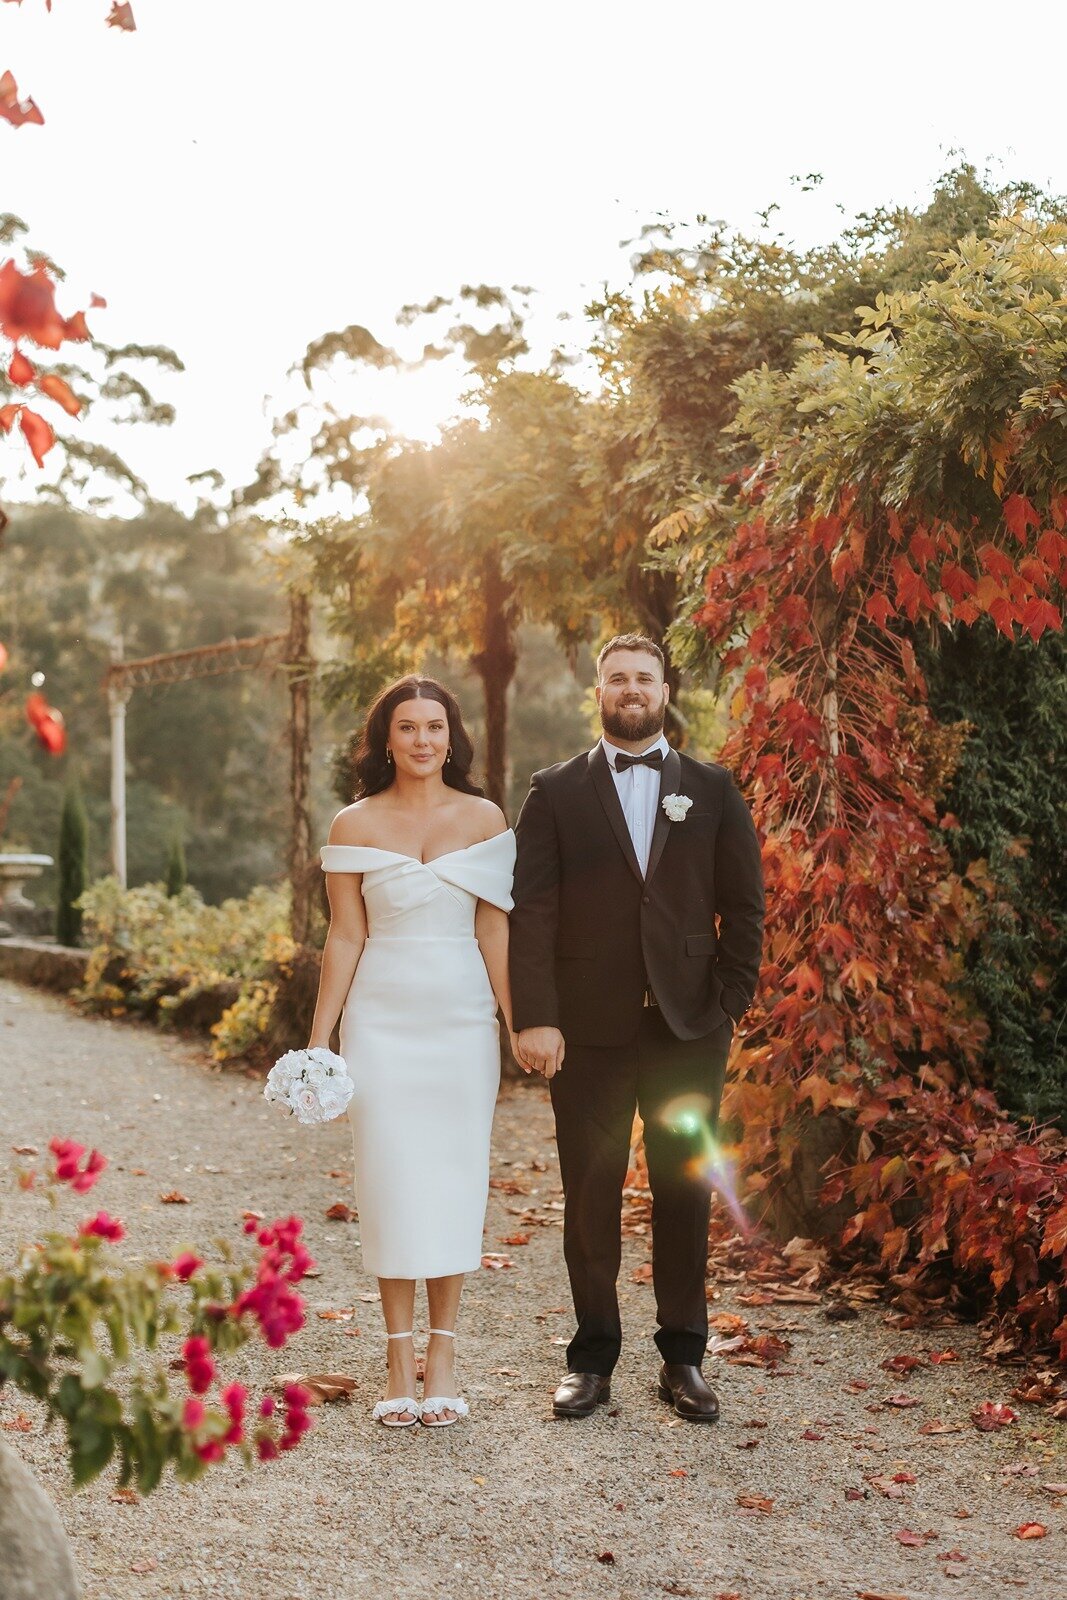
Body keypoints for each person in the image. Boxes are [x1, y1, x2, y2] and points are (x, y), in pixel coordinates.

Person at [509, 634, 765, 1422]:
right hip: (585, 1030)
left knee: (684, 1189)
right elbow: (532, 912)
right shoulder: (553, 791)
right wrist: (537, 1017)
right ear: (598, 690)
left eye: (642, 678)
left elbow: (745, 904)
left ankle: (683, 1358)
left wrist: (729, 999)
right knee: (588, 1194)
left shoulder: (713, 788)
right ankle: (591, 1360)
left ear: (663, 689)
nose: (630, 689)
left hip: (689, 1027)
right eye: (616, 677)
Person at [308, 675, 516, 1428]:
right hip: (381, 1021)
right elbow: (346, 935)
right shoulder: (354, 824)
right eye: (407, 727)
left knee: (457, 1183)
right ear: (385, 740)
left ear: (451, 738)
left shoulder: (485, 817)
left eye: (435, 726)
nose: (423, 740)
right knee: (391, 1181)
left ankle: (445, 1359)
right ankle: (398, 1362)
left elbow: (494, 930)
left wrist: (516, 1022)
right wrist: (318, 1039)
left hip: (462, 1020)